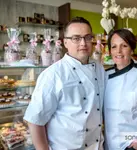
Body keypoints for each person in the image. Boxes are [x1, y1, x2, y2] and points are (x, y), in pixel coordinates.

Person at [24, 17, 105, 150]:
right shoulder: (53, 74)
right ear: (65, 42)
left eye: (87, 37)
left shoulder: (99, 68)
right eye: (76, 38)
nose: (83, 43)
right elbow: (35, 121)